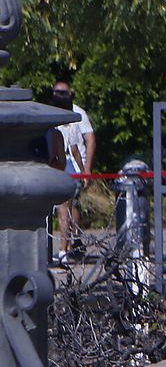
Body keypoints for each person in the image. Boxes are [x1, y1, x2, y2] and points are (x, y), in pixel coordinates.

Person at [46, 78, 94, 262]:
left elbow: (72, 149)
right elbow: (74, 150)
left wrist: (84, 171)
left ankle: (63, 251)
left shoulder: (62, 121)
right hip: (72, 166)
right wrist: (82, 172)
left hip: (62, 165)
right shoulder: (70, 122)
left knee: (63, 212)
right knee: (68, 208)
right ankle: (66, 248)